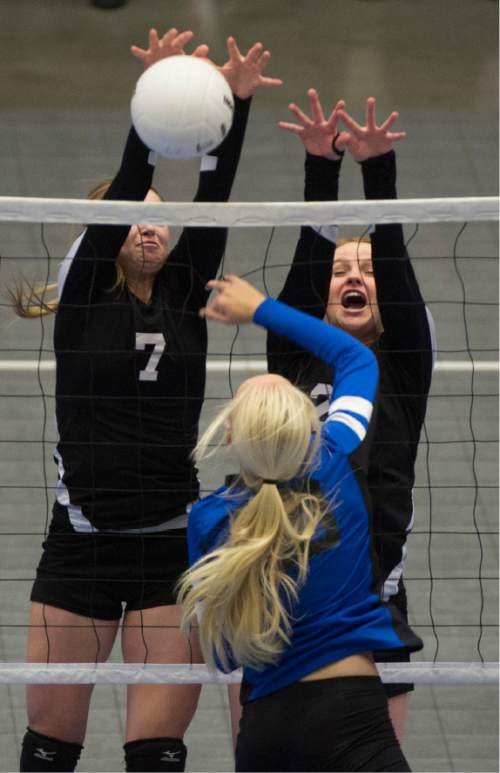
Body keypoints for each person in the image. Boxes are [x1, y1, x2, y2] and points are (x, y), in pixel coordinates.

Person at [11, 27, 282, 773]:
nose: (152, 222)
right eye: (137, 212)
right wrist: (154, 106)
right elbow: (133, 180)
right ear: (109, 228)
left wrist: (234, 106)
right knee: (48, 750)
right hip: (81, 544)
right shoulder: (83, 306)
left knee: (157, 755)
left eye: (162, 214)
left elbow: (216, 195)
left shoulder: (189, 294)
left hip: (169, 544)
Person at [178, 275, 423, 772]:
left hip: (266, 730)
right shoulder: (338, 460)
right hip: (353, 716)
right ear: (313, 424)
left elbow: (222, 655)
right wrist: (260, 308)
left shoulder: (208, 518)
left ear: (230, 434)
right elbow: (357, 357)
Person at [268, 90, 435, 740]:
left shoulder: (404, 365)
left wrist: (378, 173)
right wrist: (320, 170)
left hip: (374, 604)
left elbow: (396, 270)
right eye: (341, 270)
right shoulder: (295, 356)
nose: (352, 276)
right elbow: (305, 272)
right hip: (288, 597)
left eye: (364, 270)